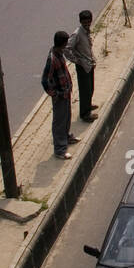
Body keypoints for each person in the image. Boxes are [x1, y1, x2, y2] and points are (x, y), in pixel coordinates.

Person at [42, 30, 76, 159]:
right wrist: (54, 94)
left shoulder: (60, 54)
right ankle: (60, 150)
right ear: (62, 43)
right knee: (59, 122)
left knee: (66, 117)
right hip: (60, 96)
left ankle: (66, 137)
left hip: (66, 93)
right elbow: (45, 80)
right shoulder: (52, 59)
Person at [65, 9, 99, 123]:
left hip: (89, 64)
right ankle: (85, 114)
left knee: (90, 87)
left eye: (89, 21)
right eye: (85, 22)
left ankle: (88, 105)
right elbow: (67, 49)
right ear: (81, 22)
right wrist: (77, 61)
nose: (87, 24)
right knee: (85, 90)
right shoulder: (77, 34)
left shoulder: (86, 31)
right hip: (82, 66)